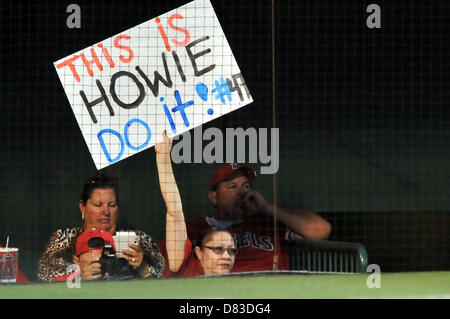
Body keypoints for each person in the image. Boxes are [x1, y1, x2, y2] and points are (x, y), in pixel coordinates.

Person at [37, 133, 177, 282]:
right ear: (82, 207)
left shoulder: (138, 239)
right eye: (98, 205)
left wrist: (142, 266)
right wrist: (78, 275)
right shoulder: (65, 239)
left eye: (112, 205)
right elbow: (45, 275)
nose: (106, 212)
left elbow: (160, 277)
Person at [158, 163, 332, 273]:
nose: (242, 192)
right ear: (214, 197)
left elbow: (321, 230)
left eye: (246, 186)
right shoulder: (195, 228)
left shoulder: (267, 222)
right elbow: (162, 263)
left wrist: (266, 208)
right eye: (232, 186)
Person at [154, 132, 236, 277]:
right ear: (199, 252)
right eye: (218, 249)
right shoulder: (183, 264)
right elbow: (174, 213)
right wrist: (163, 156)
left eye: (231, 250)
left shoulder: (237, 284)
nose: (226, 256)